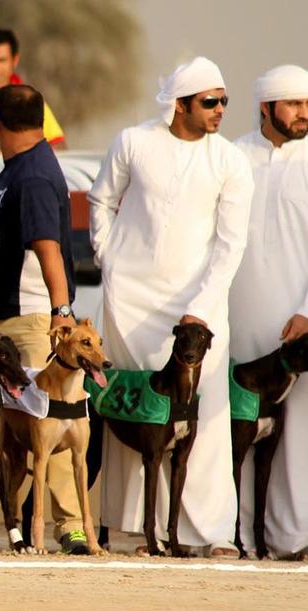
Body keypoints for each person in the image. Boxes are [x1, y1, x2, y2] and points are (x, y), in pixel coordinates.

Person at [90, 57, 253, 557]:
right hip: (132, 302)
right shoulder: (133, 142)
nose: (220, 109)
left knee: (203, 418)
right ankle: (132, 531)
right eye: (210, 101)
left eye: (224, 100)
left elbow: (231, 244)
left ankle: (211, 533)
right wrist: (108, 259)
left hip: (198, 311)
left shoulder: (229, 160)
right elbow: (101, 200)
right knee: (139, 414)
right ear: (179, 105)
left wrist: (202, 306)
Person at [0, 84, 85, 553]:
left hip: (30, 320)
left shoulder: (32, 174)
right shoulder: (18, 168)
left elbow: (48, 246)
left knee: (49, 423)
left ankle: (70, 525)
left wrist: (61, 314)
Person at [229, 64, 308, 559]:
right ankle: (236, 535)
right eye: (293, 104)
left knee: (297, 432)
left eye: (307, 104)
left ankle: (293, 537)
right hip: (239, 321)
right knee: (233, 430)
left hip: (296, 325)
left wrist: (307, 310)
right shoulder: (234, 156)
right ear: (265, 107)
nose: (304, 113)